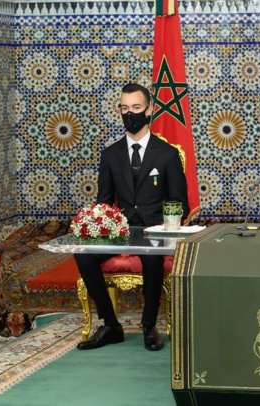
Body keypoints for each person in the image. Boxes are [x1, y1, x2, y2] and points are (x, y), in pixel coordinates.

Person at [74, 83, 189, 351]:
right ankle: (111, 324)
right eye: (124, 109)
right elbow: (103, 202)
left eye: (136, 108)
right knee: (83, 254)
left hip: (155, 231)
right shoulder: (110, 155)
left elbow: (179, 201)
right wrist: (99, 225)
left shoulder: (168, 154)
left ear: (149, 110)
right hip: (120, 231)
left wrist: (163, 228)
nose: (130, 114)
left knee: (152, 259)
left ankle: (149, 326)